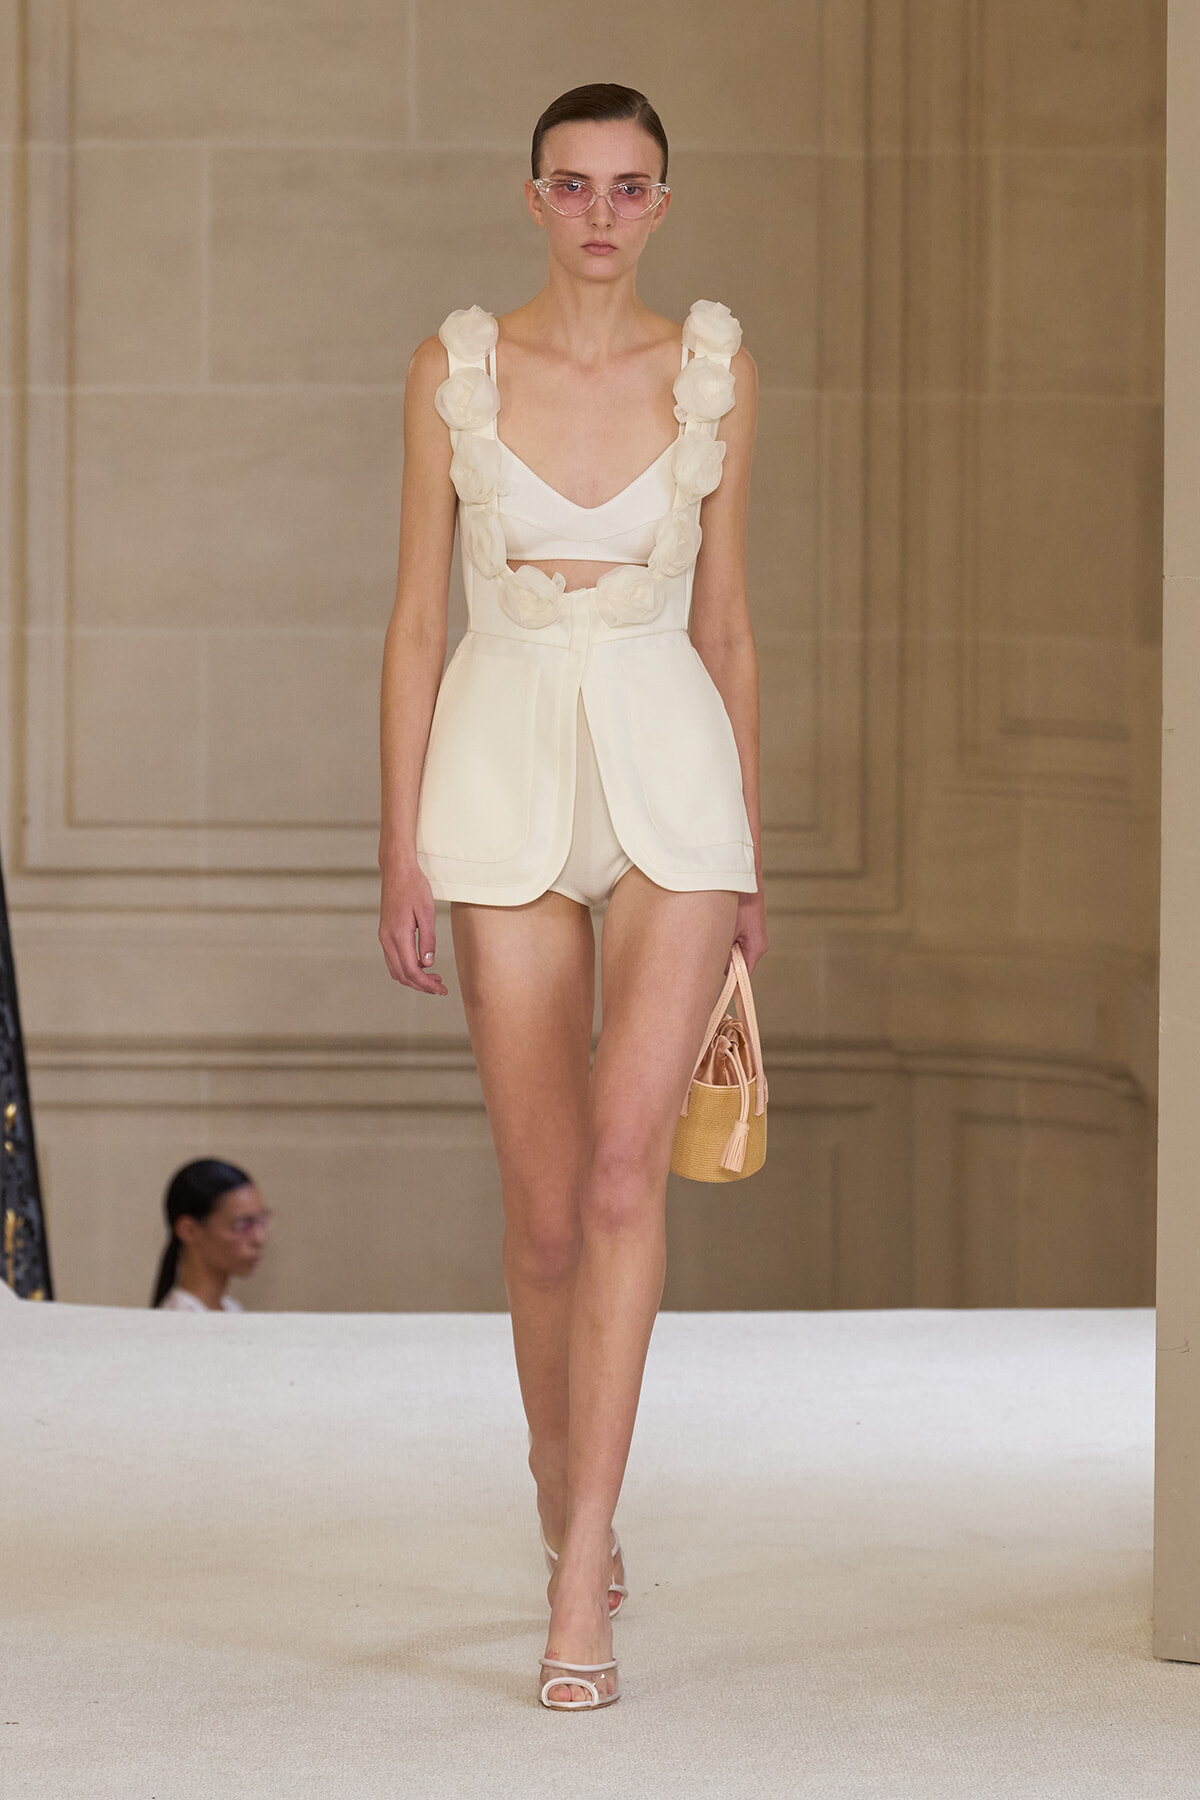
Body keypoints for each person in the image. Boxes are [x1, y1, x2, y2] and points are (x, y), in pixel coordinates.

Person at [378, 82, 767, 1710]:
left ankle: (579, 1562)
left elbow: (730, 623)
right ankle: (562, 1487)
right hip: (499, 765)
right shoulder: (456, 367)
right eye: (577, 185)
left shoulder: (718, 371)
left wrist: (752, 853)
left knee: (623, 1179)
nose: (605, 210)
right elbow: (411, 620)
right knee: (542, 1209)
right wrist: (396, 841)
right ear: (533, 199)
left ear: (663, 204)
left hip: (673, 777)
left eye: (632, 186)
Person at [150, 1159, 271, 1313]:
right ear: (189, 1231)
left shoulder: (231, 1308)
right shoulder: (180, 1319)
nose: (259, 1239)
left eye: (261, 1221)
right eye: (243, 1225)